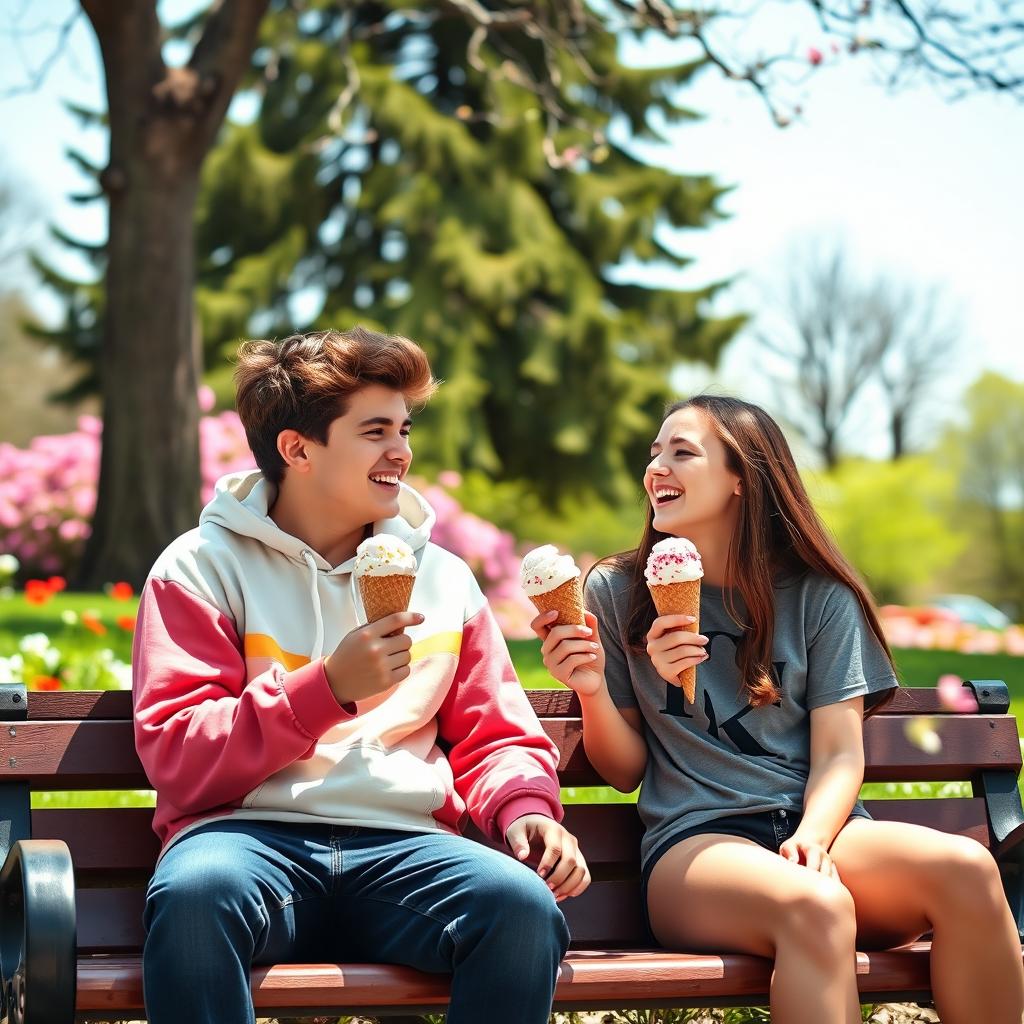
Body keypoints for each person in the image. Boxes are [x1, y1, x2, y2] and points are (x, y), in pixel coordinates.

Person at [132, 327, 589, 1024]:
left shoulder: (442, 579)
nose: (401, 452)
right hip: (245, 838)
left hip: (409, 846)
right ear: (298, 449)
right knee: (195, 899)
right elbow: (180, 753)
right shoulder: (198, 569)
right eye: (375, 431)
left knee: (520, 908)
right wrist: (325, 690)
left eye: (404, 430)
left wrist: (527, 811)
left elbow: (495, 736)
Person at [533, 394, 1024, 1024]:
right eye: (654, 452)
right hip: (697, 842)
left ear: (742, 479)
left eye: (682, 452)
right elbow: (625, 771)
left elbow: (841, 753)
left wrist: (813, 839)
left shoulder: (820, 597)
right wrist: (593, 687)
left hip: (822, 831)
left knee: (967, 868)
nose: (656, 468)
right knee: (815, 904)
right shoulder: (617, 591)